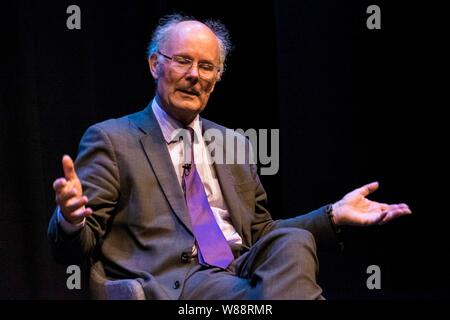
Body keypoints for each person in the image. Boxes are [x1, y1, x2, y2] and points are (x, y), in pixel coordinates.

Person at [48, 14, 411, 300]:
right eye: (182, 61)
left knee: (293, 242)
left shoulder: (233, 143)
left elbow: (261, 232)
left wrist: (333, 215)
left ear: (217, 76)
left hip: (244, 268)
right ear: (155, 65)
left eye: (206, 67)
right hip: (181, 281)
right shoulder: (113, 139)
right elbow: (75, 247)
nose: (194, 75)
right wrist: (69, 219)